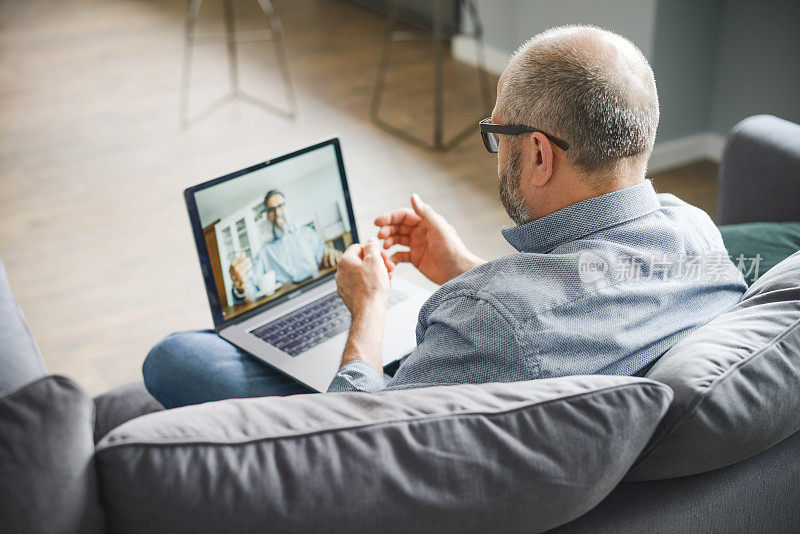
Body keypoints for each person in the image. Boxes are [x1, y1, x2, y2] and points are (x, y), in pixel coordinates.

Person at [143, 25, 746, 408]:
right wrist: (461, 267)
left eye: (496, 134)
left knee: (180, 355)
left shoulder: (491, 315)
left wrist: (369, 307)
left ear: (538, 154)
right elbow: (581, 310)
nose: (495, 150)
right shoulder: (695, 232)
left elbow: (357, 437)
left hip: (387, 423)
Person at [228, 190, 342, 303]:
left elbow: (325, 257)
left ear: (287, 208)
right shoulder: (264, 252)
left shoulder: (308, 234)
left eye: (280, 206)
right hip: (285, 303)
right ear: (268, 216)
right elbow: (250, 289)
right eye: (271, 210)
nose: (277, 213)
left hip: (317, 292)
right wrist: (239, 288)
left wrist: (332, 255)